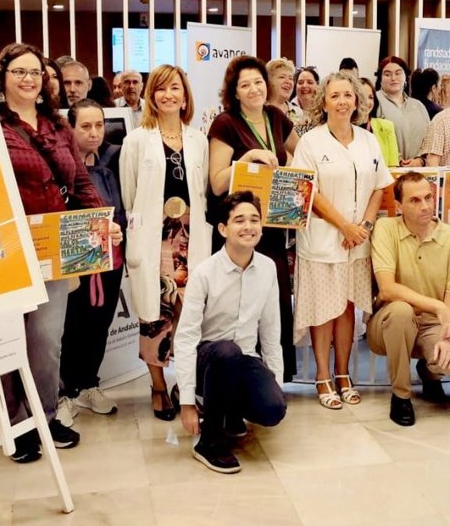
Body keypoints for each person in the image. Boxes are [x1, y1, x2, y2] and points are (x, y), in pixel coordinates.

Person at [0, 43, 123, 462]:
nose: (28, 79)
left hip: (55, 247)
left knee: (47, 340)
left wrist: (101, 220)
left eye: (35, 73)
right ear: (2, 76)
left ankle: (45, 416)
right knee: (12, 338)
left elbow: (79, 181)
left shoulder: (56, 125)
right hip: (10, 250)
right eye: (19, 71)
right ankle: (17, 426)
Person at [291, 71, 393, 410]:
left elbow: (379, 186)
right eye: (335, 96)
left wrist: (364, 225)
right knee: (324, 311)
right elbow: (309, 192)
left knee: (348, 308)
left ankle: (343, 374)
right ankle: (323, 376)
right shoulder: (310, 142)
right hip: (322, 241)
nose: (342, 101)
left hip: (357, 241)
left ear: (357, 100)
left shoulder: (368, 140)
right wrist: (344, 226)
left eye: (348, 95)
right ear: (324, 102)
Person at [119, 64, 212, 420]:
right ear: (151, 96)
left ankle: (184, 385)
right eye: (161, 88)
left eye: (175, 88)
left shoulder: (198, 139)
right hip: (154, 239)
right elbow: (130, 197)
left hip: (191, 239)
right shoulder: (136, 140)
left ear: (185, 96)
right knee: (154, 316)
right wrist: (138, 236)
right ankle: (158, 385)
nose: (168, 95)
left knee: (189, 315)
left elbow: (203, 193)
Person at [174, 191, 286, 474]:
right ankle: (209, 442)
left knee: (273, 409)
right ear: (223, 229)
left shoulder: (267, 268)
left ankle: (229, 412)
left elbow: (271, 330)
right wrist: (187, 402)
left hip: (243, 357)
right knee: (226, 352)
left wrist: (274, 383)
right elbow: (186, 338)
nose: (248, 227)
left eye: (254, 220)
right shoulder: (204, 272)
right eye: (239, 220)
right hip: (208, 359)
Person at [206, 56, 300, 380]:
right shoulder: (225, 123)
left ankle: (272, 377)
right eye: (244, 85)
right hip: (239, 230)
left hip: (271, 226)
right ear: (234, 91)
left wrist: (293, 173)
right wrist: (246, 159)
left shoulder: (276, 116)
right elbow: (217, 182)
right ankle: (239, 376)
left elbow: (302, 154)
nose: (253, 89)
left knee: (274, 301)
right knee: (240, 305)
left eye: (258, 82)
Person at [370, 172, 450, 426]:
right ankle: (401, 396)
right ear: (399, 206)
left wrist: (449, 334)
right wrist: (437, 306)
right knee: (401, 311)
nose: (425, 206)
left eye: (428, 198)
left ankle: (430, 373)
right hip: (390, 323)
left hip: (431, 325)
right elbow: (387, 289)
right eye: (414, 200)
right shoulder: (386, 229)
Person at [58, 99, 126, 421]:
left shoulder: (114, 162)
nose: (94, 133)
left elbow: (122, 209)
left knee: (100, 326)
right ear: (70, 128)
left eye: (99, 125)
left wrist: (120, 230)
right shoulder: (61, 169)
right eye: (85, 126)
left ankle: (88, 384)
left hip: (111, 262)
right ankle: (64, 392)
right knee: (71, 327)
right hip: (76, 263)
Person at [376, 56, 431, 166]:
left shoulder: (418, 106)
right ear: (380, 79)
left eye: (398, 73)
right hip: (388, 169)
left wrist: (420, 160)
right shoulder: (375, 102)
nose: (393, 78)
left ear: (405, 76)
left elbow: (429, 138)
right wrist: (398, 160)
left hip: (418, 170)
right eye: (387, 74)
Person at [357, 76, 400, 167]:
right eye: (362, 97)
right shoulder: (344, 129)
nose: (367, 102)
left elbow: (393, 166)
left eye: (370, 97)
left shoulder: (386, 127)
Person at [290, 66, 319, 137]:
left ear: (317, 85)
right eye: (300, 83)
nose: (304, 86)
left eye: (310, 82)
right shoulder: (288, 110)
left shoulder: (325, 110)